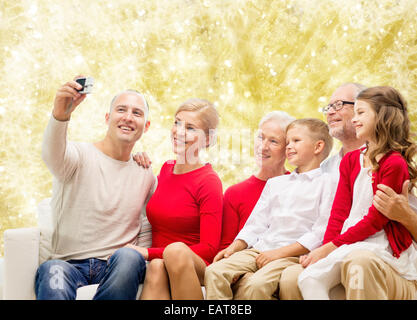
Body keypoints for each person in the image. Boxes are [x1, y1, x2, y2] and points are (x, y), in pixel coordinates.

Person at [35, 77, 156, 300]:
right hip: (67, 265)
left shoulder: (145, 172)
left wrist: (143, 259)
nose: (128, 117)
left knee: (130, 258)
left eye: (137, 113)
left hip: (117, 267)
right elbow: (51, 155)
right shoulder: (78, 156)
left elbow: (147, 226)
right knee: (52, 270)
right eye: (121, 110)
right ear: (108, 118)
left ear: (146, 127)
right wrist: (61, 115)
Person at [297, 86, 417, 300]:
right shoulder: (351, 161)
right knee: (308, 278)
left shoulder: (394, 164)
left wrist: (331, 247)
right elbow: (339, 213)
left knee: (358, 267)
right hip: (347, 240)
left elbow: (375, 220)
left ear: (382, 117)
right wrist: (325, 248)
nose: (354, 119)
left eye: (361, 113)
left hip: (376, 243)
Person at [204, 118, 335, 300]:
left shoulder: (329, 183)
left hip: (292, 255)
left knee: (257, 285)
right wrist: (235, 247)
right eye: (287, 142)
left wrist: (278, 253)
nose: (288, 146)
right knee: (214, 272)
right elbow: (256, 224)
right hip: (260, 249)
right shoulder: (275, 183)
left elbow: (320, 232)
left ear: (318, 147)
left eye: (296, 141)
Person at [128, 98, 223, 300]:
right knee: (156, 267)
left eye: (190, 128)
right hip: (159, 263)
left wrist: (147, 253)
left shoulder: (209, 181)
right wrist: (133, 160)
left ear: (207, 139)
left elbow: (209, 248)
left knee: (174, 252)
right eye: (177, 122)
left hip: (191, 264)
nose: (179, 131)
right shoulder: (166, 169)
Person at [219, 111, 295, 251]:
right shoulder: (235, 194)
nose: (263, 147)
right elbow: (225, 248)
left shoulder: (298, 187)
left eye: (273, 141)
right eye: (261, 137)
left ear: (288, 148)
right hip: (241, 267)